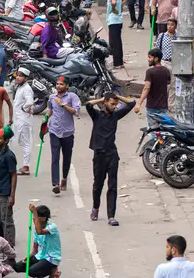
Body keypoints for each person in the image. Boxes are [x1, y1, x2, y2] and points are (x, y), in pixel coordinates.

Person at [86, 93, 135, 226]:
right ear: (105, 103)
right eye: (112, 104)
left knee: (112, 186)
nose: (115, 106)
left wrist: (119, 97)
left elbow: (131, 104)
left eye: (116, 104)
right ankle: (96, 207)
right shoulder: (97, 115)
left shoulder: (116, 116)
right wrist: (102, 99)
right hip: (99, 155)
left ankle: (111, 216)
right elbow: (88, 105)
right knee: (98, 185)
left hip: (112, 154)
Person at [45, 77, 80, 194]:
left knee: (67, 157)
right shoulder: (52, 97)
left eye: (61, 84)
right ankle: (55, 183)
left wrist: (63, 105)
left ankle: (64, 178)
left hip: (67, 133)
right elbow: (50, 109)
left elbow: (75, 111)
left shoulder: (72, 97)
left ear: (67, 86)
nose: (58, 86)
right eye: (57, 84)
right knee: (55, 157)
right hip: (54, 131)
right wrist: (46, 117)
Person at [12, 204, 62, 278]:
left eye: (35, 218)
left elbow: (40, 232)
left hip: (51, 258)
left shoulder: (52, 227)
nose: (33, 219)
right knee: (17, 267)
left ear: (43, 219)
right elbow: (35, 250)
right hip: (40, 256)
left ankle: (53, 270)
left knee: (31, 271)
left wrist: (34, 211)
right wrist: (28, 257)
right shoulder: (36, 230)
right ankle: (40, 270)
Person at [134, 49, 172, 127]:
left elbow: (146, 88)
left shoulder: (150, 72)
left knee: (154, 130)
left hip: (152, 106)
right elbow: (168, 87)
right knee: (163, 130)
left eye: (150, 57)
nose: (148, 59)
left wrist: (139, 103)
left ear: (156, 59)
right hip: (163, 106)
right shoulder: (166, 71)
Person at [104, 0, 126, 67]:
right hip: (118, 20)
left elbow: (113, 2)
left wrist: (114, 9)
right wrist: (120, 7)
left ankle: (117, 63)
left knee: (114, 43)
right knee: (117, 42)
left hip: (113, 20)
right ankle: (119, 62)